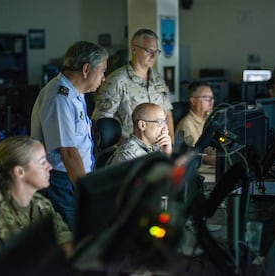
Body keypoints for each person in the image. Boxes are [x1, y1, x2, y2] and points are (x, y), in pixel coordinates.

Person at [30, 41, 108, 231]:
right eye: (103, 71)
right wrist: (87, 191)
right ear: (86, 69)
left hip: (71, 177)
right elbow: (68, 153)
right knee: (69, 238)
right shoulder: (59, 96)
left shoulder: (75, 93)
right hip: (61, 181)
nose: (104, 78)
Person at [0, 136, 73, 267]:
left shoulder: (41, 204)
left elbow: (64, 240)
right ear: (20, 171)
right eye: (42, 162)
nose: (49, 166)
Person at [92, 28, 175, 144]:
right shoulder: (117, 81)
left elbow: (168, 114)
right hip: (130, 152)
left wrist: (172, 145)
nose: (153, 55)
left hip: (158, 150)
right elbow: (101, 124)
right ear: (134, 49)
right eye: (149, 50)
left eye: (156, 52)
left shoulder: (158, 79)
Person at [107, 103, 172, 165]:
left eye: (164, 121)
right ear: (142, 125)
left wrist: (167, 154)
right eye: (160, 122)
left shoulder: (158, 147)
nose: (166, 127)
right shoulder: (126, 155)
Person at [175, 81, 216, 166]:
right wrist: (218, 160)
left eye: (212, 98)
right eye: (207, 98)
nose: (211, 101)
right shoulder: (187, 125)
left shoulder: (209, 120)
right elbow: (190, 155)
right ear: (193, 100)